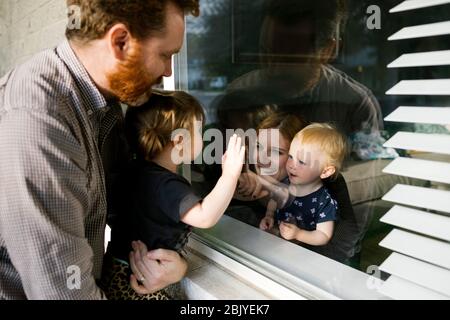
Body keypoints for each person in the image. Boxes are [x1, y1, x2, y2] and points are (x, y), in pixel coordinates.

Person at [0, 0, 199, 299]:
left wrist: (175, 265)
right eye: (165, 55)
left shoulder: (105, 105)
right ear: (120, 42)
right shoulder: (40, 117)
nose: (168, 71)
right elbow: (64, 292)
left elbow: (133, 208)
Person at [101, 90, 245, 300]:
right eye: (198, 131)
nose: (203, 137)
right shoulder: (165, 185)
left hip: (117, 271)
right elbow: (205, 216)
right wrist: (230, 175)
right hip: (140, 281)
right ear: (179, 140)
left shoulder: (135, 172)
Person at [259, 123, 347, 246]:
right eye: (290, 156)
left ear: (325, 171)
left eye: (301, 161)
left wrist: (298, 234)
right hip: (280, 244)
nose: (291, 165)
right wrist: (269, 216)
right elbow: (275, 200)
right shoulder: (286, 183)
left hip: (304, 252)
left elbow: (323, 236)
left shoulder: (324, 200)